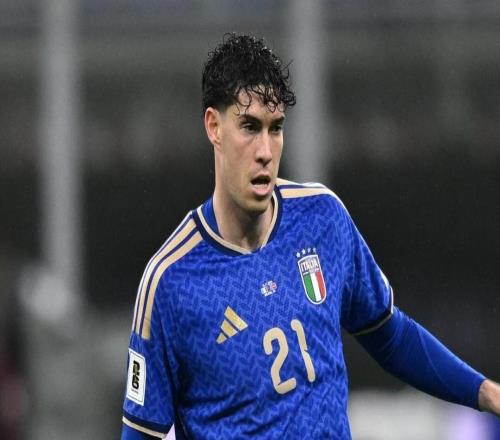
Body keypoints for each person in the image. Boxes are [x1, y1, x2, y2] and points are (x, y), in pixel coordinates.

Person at [121, 33, 500, 440]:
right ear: (214, 126)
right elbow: (140, 433)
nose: (265, 150)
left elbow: (390, 336)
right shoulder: (171, 281)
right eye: (249, 127)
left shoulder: (322, 219)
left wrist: (488, 393)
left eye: (275, 128)